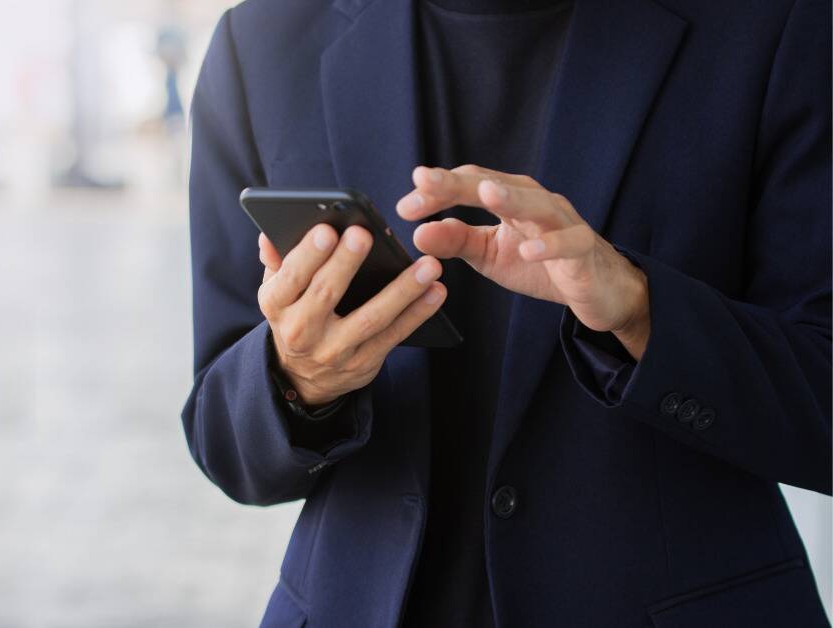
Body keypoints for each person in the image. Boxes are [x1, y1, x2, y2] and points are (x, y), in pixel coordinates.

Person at [181, 0, 831, 626]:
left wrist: (639, 310)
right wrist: (297, 377)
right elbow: (223, 444)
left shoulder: (781, 24)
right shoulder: (259, 44)